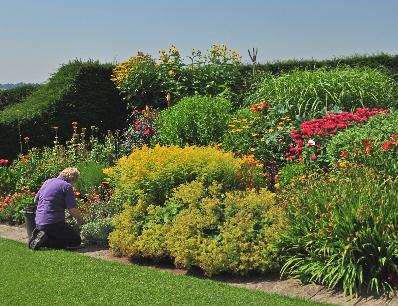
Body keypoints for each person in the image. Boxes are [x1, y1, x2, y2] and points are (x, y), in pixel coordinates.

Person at [29, 167, 83, 250]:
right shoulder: (67, 186)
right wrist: (80, 221)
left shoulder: (48, 182)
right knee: (75, 240)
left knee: (56, 234)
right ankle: (46, 241)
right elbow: (72, 209)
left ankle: (41, 236)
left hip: (39, 222)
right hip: (54, 223)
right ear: (72, 179)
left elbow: (35, 199)